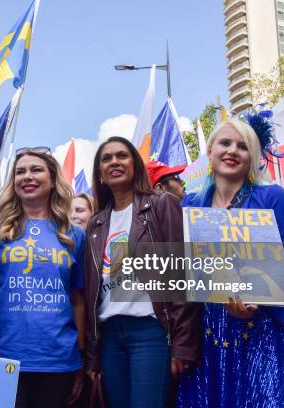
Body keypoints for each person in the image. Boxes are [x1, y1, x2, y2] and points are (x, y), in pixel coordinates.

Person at [177, 116, 284, 407]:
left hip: (263, 325)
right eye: (225, 143)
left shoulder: (271, 196)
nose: (232, 151)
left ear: (252, 156)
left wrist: (258, 300)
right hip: (210, 326)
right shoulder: (190, 204)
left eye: (242, 146)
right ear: (211, 151)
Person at [84, 136, 201, 407]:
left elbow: (182, 274)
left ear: (135, 165)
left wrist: (183, 343)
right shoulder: (96, 224)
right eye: (106, 158)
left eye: (122, 155)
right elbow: (91, 291)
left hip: (151, 332)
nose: (114, 161)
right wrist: (92, 355)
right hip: (110, 337)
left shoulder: (161, 204)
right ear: (100, 173)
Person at [0, 146, 85, 408]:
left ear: (53, 180)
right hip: (2, 356)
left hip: (57, 359)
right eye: (20, 172)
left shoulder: (74, 235)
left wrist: (82, 354)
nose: (27, 176)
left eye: (36, 170)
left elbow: (77, 298)